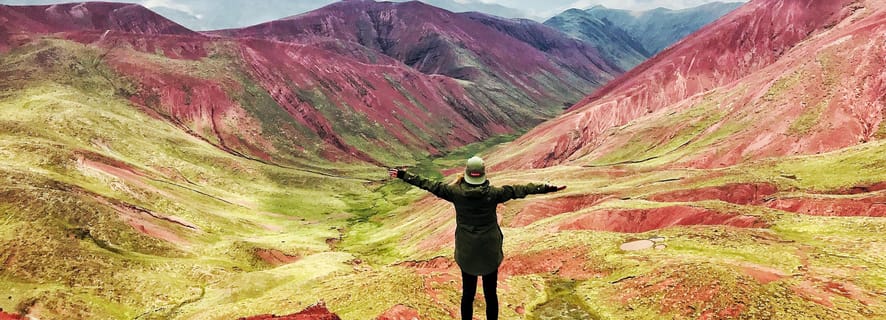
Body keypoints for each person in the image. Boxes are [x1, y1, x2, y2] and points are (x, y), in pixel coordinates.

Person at [389, 156, 566, 320]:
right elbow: (520, 190)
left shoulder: (454, 192)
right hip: (489, 252)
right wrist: (547, 187)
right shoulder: (494, 194)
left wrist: (403, 175)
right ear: (483, 175)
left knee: (467, 295)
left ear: (466, 174)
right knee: (491, 295)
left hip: (467, 253)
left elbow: (428, 184)